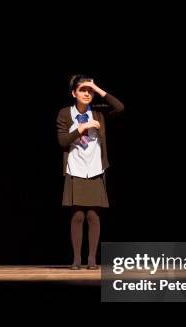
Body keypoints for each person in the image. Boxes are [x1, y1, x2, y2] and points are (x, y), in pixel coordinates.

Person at [56, 74, 124, 269]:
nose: (87, 93)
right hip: (75, 167)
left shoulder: (100, 113)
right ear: (73, 93)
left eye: (89, 91)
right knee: (77, 215)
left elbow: (120, 108)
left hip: (94, 168)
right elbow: (62, 141)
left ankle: (92, 259)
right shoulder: (65, 113)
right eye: (82, 90)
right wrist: (82, 127)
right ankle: (77, 259)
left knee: (94, 215)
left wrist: (98, 88)